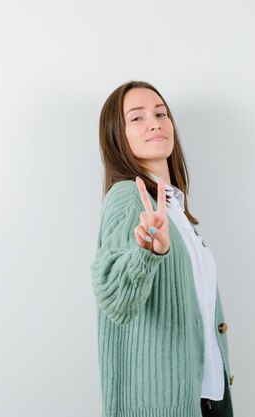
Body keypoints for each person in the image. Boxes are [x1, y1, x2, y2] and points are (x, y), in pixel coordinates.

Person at [90, 80, 235, 417]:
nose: (155, 122)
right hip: (163, 404)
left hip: (207, 398)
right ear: (117, 137)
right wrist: (147, 253)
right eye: (137, 118)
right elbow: (115, 298)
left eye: (161, 113)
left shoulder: (177, 211)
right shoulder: (127, 197)